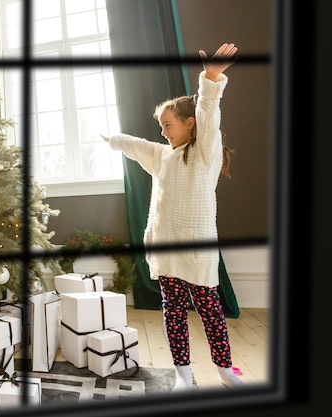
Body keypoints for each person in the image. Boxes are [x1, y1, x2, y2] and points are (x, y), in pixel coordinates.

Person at [101, 43, 243, 392]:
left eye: (168, 125)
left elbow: (209, 115)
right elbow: (134, 146)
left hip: (196, 253)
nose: (163, 131)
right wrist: (110, 139)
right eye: (161, 125)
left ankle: (224, 370)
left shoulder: (203, 155)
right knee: (174, 313)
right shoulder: (163, 156)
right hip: (165, 250)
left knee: (211, 313)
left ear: (188, 123)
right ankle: (182, 373)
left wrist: (211, 80)